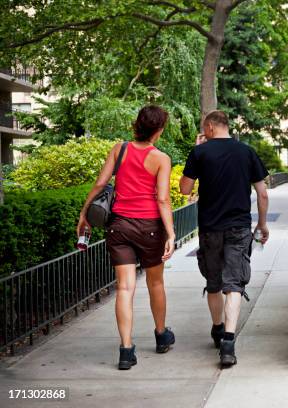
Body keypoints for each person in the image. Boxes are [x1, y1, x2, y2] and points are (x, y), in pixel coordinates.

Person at [77, 105, 176, 370]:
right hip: (150, 227)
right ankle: (161, 335)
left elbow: (100, 184)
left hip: (118, 227)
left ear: (137, 125)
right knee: (155, 283)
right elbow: (163, 199)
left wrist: (84, 213)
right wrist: (171, 232)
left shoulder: (119, 150)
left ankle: (126, 350)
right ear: (158, 130)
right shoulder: (161, 158)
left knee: (124, 288)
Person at [179, 110, 269, 367]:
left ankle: (218, 328)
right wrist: (262, 224)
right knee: (234, 284)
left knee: (214, 281)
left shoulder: (200, 153)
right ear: (226, 126)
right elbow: (262, 194)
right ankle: (228, 342)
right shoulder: (246, 152)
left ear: (209, 127)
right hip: (239, 228)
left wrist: (197, 152)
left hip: (210, 228)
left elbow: (185, 189)